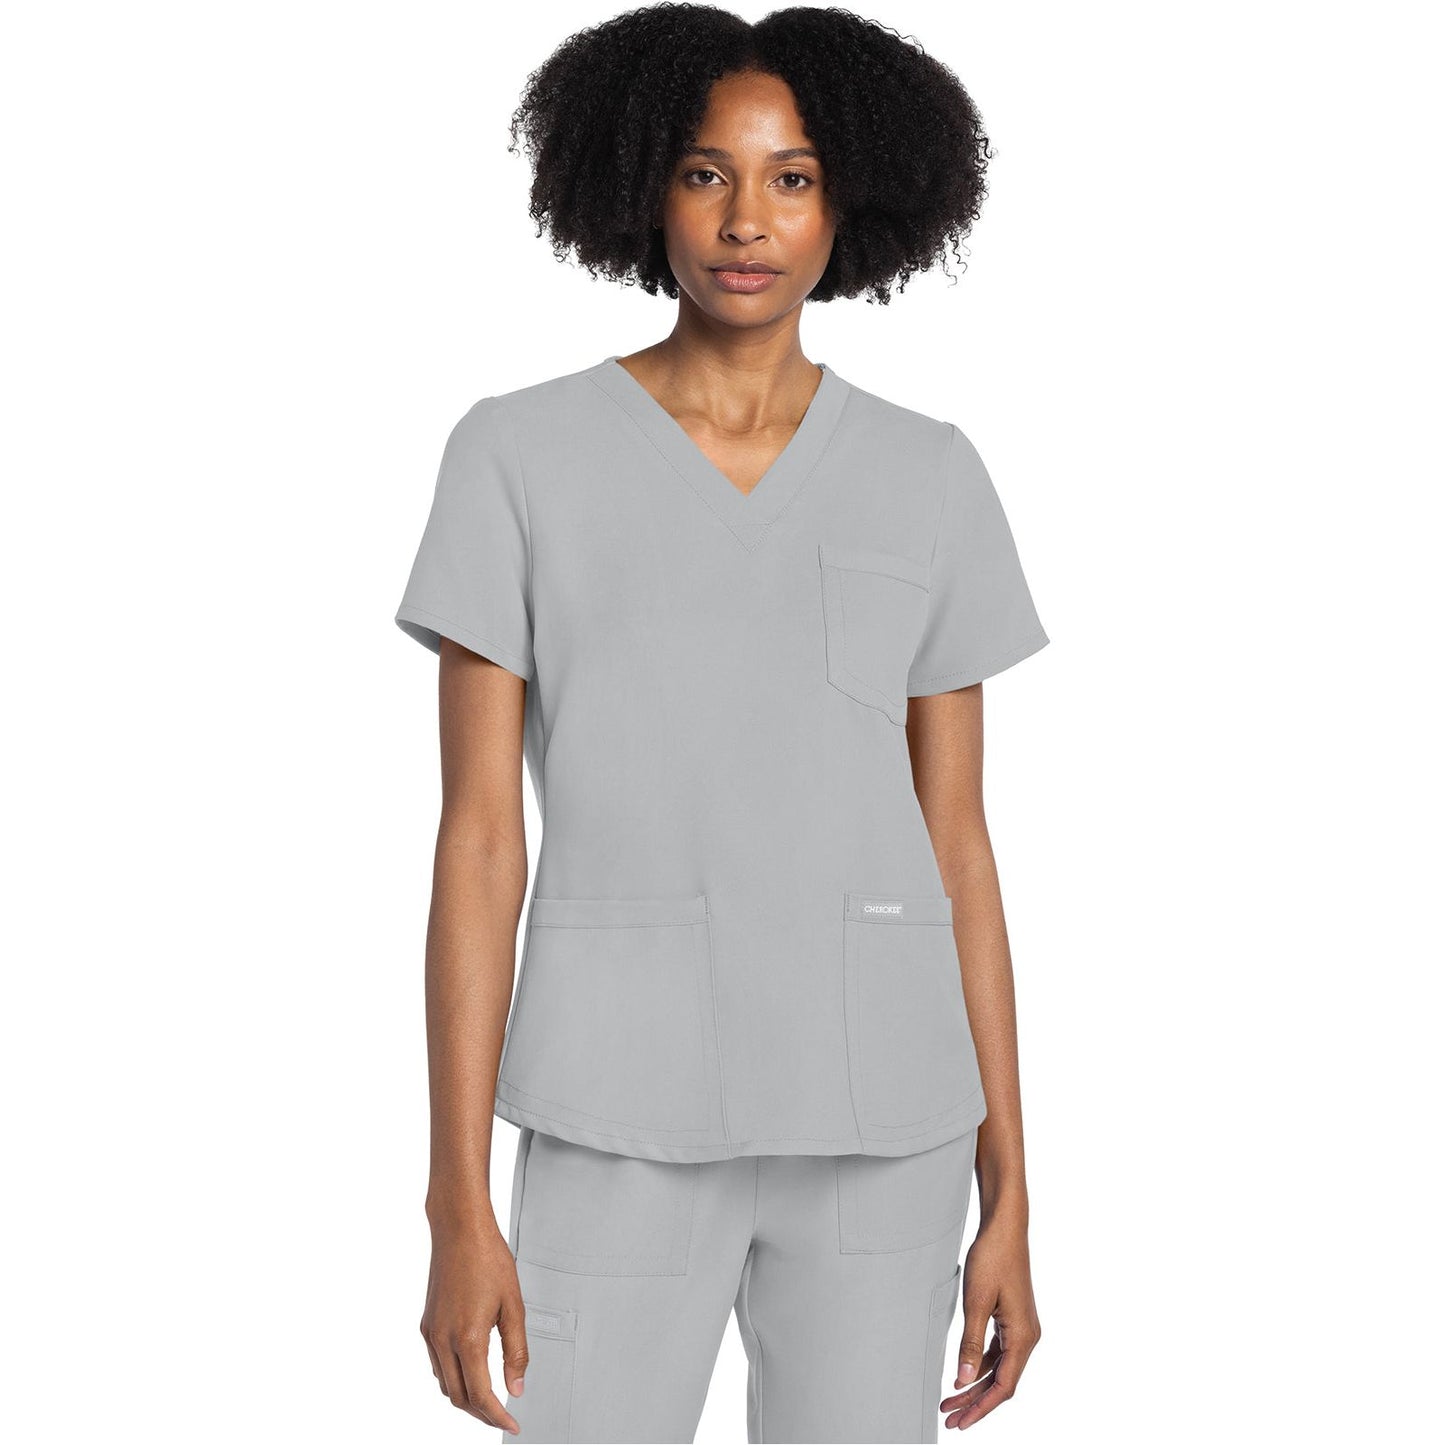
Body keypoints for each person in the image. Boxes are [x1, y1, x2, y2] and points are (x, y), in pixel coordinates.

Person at [395, 6, 1048, 1441]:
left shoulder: (928, 475)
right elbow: (480, 840)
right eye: (705, 173)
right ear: (642, 185)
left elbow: (959, 847)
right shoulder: (517, 456)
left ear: (851, 200)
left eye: (792, 178)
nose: (747, 220)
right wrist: (455, 1201)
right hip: (613, 1111)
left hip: (885, 1122)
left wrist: (1010, 1188)